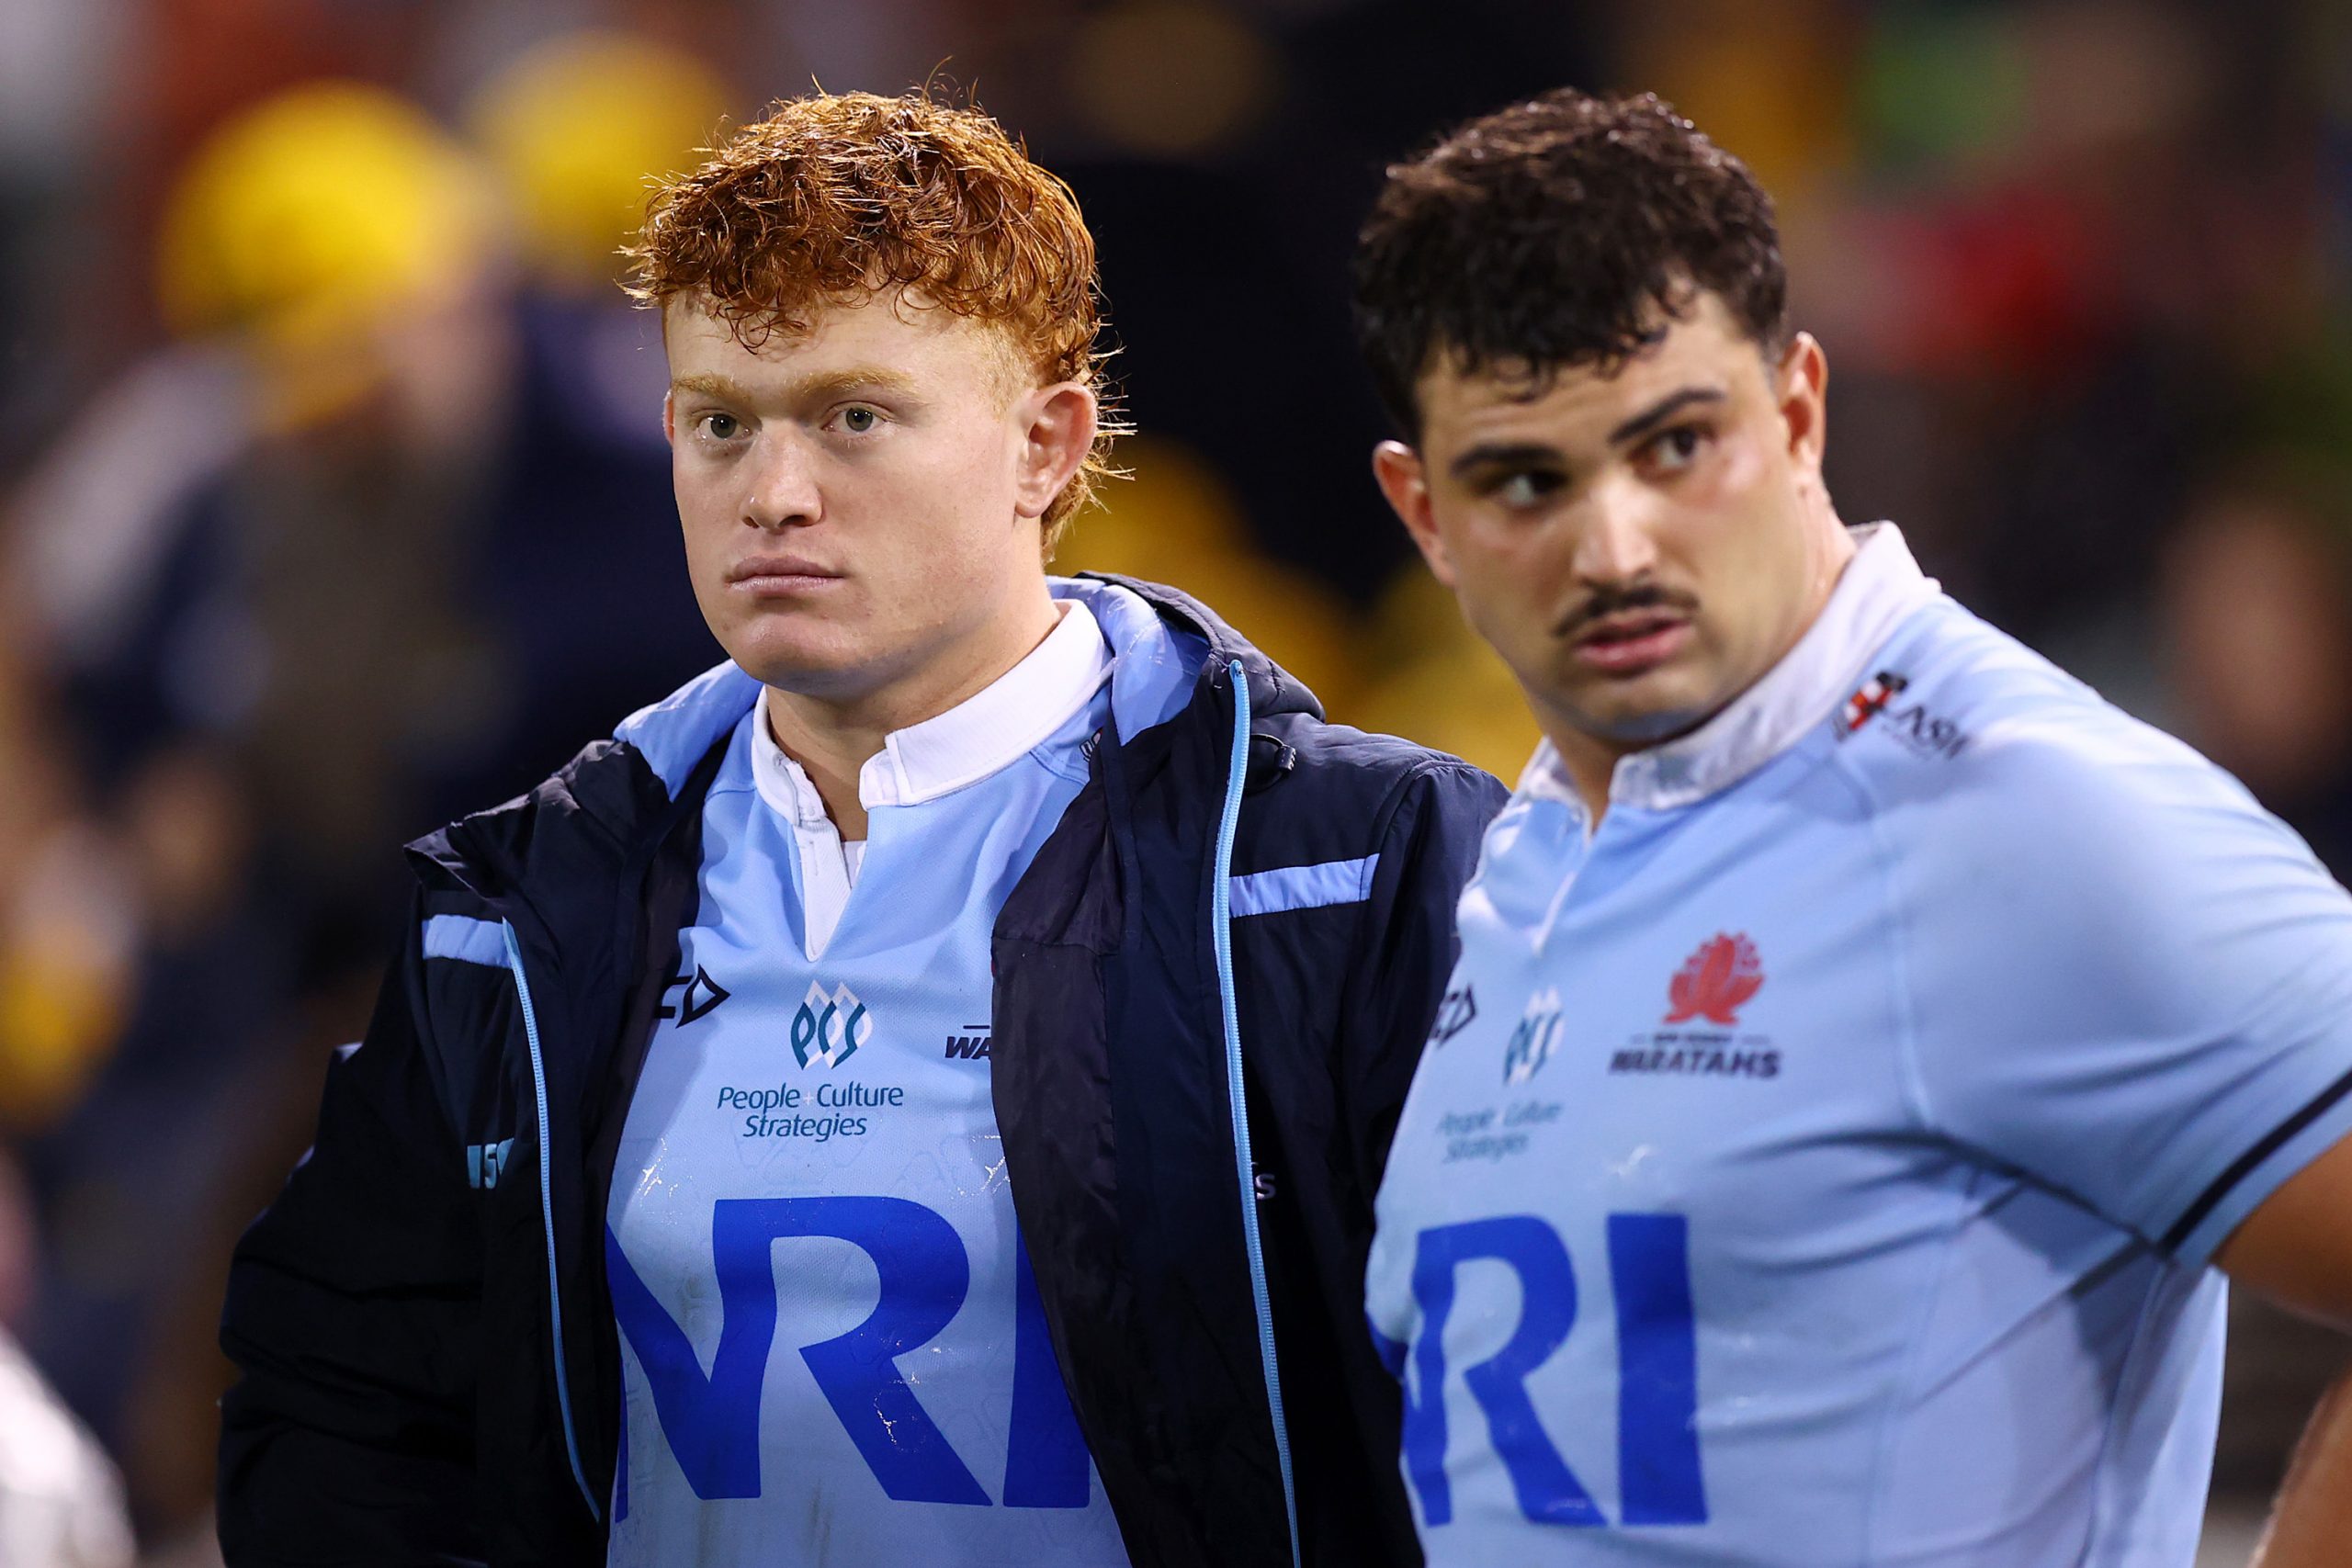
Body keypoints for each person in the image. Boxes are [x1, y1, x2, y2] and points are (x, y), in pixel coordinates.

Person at [216, 88, 1505, 1568]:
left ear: (1048, 446)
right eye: (719, 423)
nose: (772, 494)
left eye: (856, 416)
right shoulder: (524, 902)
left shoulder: (1348, 871)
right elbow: (349, 1418)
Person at [1351, 88, 2352, 1566]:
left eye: (1676, 445)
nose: (1614, 547)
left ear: (1801, 412)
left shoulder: (2031, 816)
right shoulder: (1536, 846)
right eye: (1524, 481)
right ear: (1424, 513)